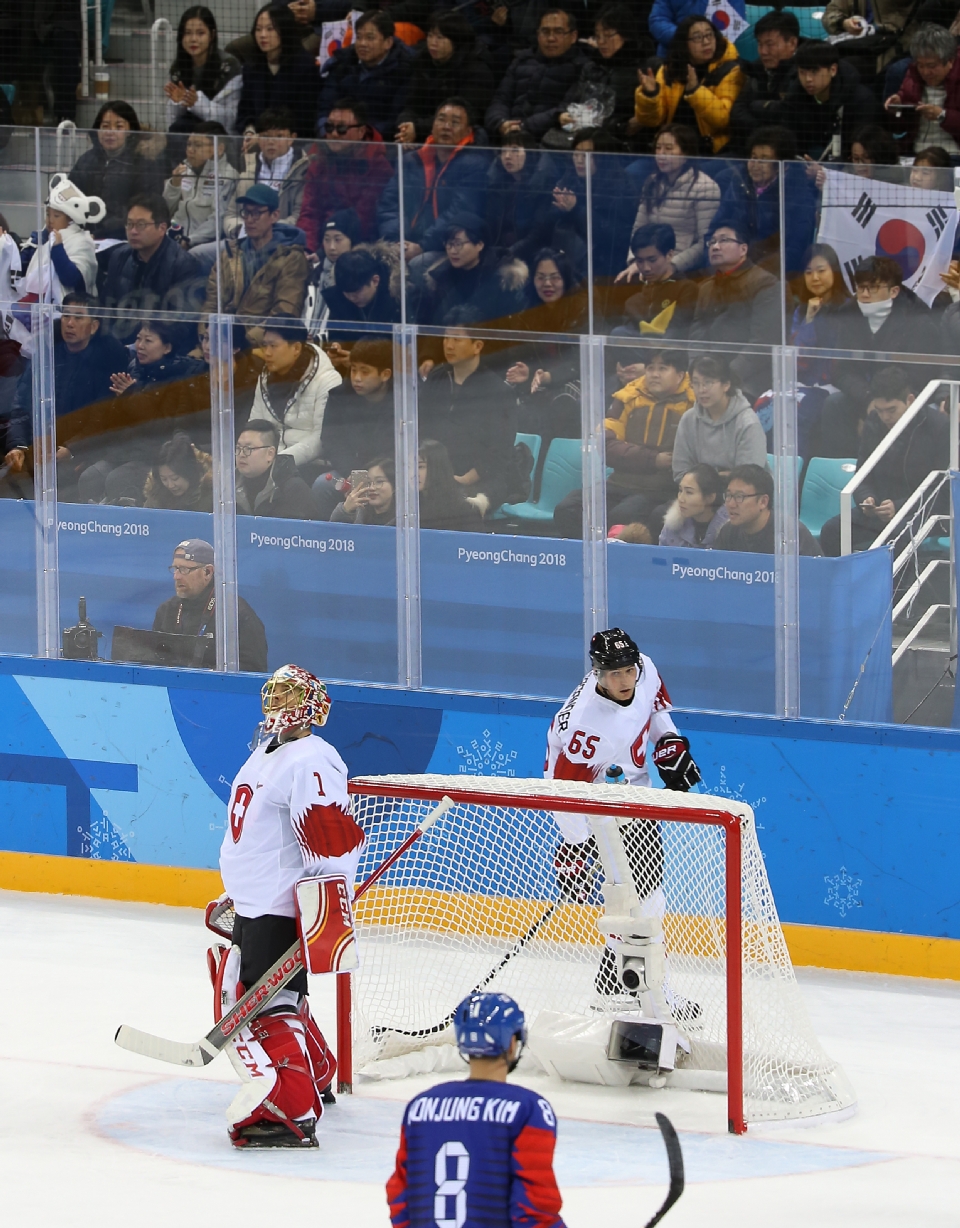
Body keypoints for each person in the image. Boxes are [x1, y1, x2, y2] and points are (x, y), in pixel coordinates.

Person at [217, 663, 363, 1145]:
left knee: (267, 1004)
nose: (278, 705)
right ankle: (317, 1070)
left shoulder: (313, 759)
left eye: (289, 696)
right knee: (276, 995)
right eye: (273, 695)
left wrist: (326, 910)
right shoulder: (269, 750)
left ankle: (294, 1108)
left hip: (282, 903)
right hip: (256, 898)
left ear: (313, 704)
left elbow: (330, 842)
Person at [545, 627, 701, 1008]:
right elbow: (563, 791)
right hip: (598, 806)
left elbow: (658, 713)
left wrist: (670, 744)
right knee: (636, 901)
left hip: (635, 793)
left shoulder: (645, 669)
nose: (624, 679)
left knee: (648, 897)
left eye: (627, 670)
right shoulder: (586, 726)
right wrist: (575, 844)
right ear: (597, 673)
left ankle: (617, 980)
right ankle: (641, 988)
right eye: (614, 673)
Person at [387, 992, 565, 1228]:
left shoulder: (420, 1107)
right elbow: (534, 1210)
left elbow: (400, 1195)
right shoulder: (528, 1110)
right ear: (512, 1043)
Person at [552, 347, 696, 539]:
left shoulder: (693, 403)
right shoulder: (627, 396)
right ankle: (587, 560)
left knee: (623, 515)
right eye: (650, 368)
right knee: (567, 508)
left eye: (662, 369)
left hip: (660, 490)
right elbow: (606, 444)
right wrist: (653, 459)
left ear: (680, 375)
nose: (654, 374)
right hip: (618, 483)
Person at [3, 292, 129, 502]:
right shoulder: (47, 351)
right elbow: (21, 405)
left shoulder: (107, 361)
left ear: (94, 326)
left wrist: (72, 449)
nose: (69, 324)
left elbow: (102, 418)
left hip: (78, 454)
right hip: (37, 448)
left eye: (78, 318)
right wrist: (19, 446)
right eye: (66, 316)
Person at [819, 366, 949, 555]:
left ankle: (889, 585)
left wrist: (899, 506)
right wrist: (867, 499)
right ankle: (841, 583)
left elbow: (940, 491)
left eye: (891, 410)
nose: (885, 417)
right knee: (832, 530)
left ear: (910, 400)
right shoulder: (874, 422)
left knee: (894, 536)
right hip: (881, 511)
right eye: (880, 410)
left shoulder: (938, 427)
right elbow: (863, 473)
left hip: (922, 512)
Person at [419, 314, 520, 516]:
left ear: (477, 346)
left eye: (457, 339)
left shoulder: (498, 391)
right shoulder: (437, 378)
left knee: (461, 508)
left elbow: (499, 452)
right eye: (446, 338)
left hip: (480, 477)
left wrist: (464, 479)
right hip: (433, 472)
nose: (449, 345)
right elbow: (421, 427)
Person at [378, 98, 488, 264]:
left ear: (468, 132)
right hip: (402, 244)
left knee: (418, 266)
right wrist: (396, 241)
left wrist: (423, 246)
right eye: (441, 120)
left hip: (445, 247)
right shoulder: (411, 160)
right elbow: (389, 204)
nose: (446, 126)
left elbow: (459, 213)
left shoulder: (475, 165)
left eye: (455, 122)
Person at [201, 183, 310, 347]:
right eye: (246, 212)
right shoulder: (229, 254)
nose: (249, 220)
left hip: (259, 348)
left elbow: (284, 313)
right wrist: (206, 338)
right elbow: (210, 305)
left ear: (274, 215)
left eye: (257, 213)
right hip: (219, 344)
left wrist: (240, 343)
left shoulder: (291, 258)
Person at [689, 220, 780, 400]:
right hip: (708, 375)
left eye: (723, 240)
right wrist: (696, 370)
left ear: (743, 249)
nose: (715, 246)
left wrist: (727, 377)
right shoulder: (706, 287)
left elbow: (762, 342)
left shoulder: (765, 283)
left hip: (748, 377)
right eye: (712, 242)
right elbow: (697, 334)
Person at [632, 16, 744, 154]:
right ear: (684, 43)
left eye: (709, 35)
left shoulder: (730, 70)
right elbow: (651, 120)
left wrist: (695, 91)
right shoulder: (670, 70)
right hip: (669, 150)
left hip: (710, 151)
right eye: (697, 37)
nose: (706, 42)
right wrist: (650, 94)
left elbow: (722, 120)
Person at [153, 538, 268, 671]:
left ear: (208, 572)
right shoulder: (167, 610)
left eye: (184, 569)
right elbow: (154, 660)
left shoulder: (235, 613)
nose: (176, 576)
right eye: (175, 569)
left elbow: (254, 670)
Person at [622, 125, 721, 278]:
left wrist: (671, 265)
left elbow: (706, 242)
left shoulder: (706, 187)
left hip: (683, 269)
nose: (661, 155)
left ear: (686, 153)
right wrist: (637, 262)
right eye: (658, 148)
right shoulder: (652, 182)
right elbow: (638, 229)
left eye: (669, 149)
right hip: (648, 264)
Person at [540, 129, 639, 281]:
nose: (579, 160)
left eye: (588, 155)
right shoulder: (569, 180)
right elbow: (545, 225)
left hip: (606, 265)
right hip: (567, 259)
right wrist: (559, 209)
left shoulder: (621, 186)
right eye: (576, 153)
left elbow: (617, 236)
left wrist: (576, 210)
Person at [297, 99, 394, 250]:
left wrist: (330, 247)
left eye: (342, 128)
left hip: (360, 245)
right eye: (329, 127)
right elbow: (310, 212)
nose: (334, 134)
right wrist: (306, 249)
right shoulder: (318, 159)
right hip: (323, 243)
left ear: (361, 132)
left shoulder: (377, 165)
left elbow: (365, 218)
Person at [246, 319, 341, 474]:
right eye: (264, 345)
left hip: (311, 466)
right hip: (269, 464)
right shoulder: (264, 377)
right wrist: (247, 454)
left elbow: (320, 440)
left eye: (273, 346)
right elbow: (255, 424)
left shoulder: (328, 380)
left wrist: (279, 462)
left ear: (296, 348)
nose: (267, 352)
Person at [100, 195, 203, 336]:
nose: (133, 231)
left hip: (160, 345)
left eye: (141, 225)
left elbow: (182, 324)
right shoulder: (119, 256)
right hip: (121, 341)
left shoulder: (183, 265)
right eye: (129, 224)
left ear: (162, 228)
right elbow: (107, 307)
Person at [485, 7, 590, 142]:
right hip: (509, 139)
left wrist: (522, 128)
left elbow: (565, 111)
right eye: (545, 32)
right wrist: (501, 123)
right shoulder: (521, 60)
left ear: (573, 36)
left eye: (558, 32)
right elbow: (500, 100)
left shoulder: (583, 68)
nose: (551, 38)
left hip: (550, 143)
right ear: (537, 34)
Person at [396, 10, 495, 144]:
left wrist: (418, 128)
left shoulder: (476, 69)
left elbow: (467, 116)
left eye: (440, 38)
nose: (432, 42)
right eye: (430, 36)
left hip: (459, 138)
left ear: (456, 41)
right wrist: (406, 125)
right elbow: (411, 104)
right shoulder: (422, 61)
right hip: (422, 134)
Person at [558, 4, 655, 143]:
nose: (601, 42)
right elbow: (573, 97)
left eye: (608, 35)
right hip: (586, 137)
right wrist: (561, 114)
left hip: (625, 141)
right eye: (597, 36)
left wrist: (620, 126)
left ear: (626, 35)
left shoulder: (644, 68)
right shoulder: (591, 66)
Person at [69, 101, 164, 240]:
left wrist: (102, 234)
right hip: (83, 236)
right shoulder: (86, 160)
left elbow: (144, 210)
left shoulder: (144, 164)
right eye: (105, 126)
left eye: (118, 127)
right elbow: (69, 197)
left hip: (125, 239)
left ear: (130, 132)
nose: (110, 132)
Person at [771, 42, 879, 160]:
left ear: (833, 70)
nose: (808, 79)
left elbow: (860, 150)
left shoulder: (861, 100)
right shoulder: (794, 97)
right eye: (802, 72)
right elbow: (788, 139)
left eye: (814, 72)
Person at [418, 215, 528, 329]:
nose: (452, 251)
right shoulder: (439, 278)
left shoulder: (504, 280)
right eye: (449, 244)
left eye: (458, 244)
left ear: (479, 244)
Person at [672, 354, 767, 482]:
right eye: (696, 383)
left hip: (738, 499)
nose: (701, 390)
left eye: (708, 383)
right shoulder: (688, 419)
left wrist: (701, 479)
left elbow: (748, 480)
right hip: (697, 496)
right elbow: (680, 473)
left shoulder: (747, 423)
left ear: (726, 385)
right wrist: (721, 476)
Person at [318, 10, 413, 138]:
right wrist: (326, 132)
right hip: (335, 137)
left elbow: (394, 120)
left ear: (388, 42)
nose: (362, 44)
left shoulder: (404, 70)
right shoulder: (342, 63)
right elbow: (325, 106)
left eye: (370, 38)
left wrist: (362, 137)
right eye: (359, 37)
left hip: (377, 145)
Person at [236, 5, 320, 144]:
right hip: (257, 145)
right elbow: (245, 110)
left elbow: (306, 119)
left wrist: (266, 137)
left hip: (294, 145)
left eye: (270, 29)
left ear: (285, 30)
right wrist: (249, 131)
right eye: (258, 29)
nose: (263, 35)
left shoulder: (304, 67)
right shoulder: (251, 67)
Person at [18, 174, 103, 302]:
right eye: (48, 214)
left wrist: (58, 249)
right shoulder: (43, 238)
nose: (50, 220)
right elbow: (22, 268)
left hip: (70, 310)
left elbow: (71, 279)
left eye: (56, 216)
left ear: (71, 218)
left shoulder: (82, 242)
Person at [229, 108, 311, 238]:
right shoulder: (246, 165)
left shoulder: (304, 170)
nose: (271, 142)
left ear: (292, 138)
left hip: (284, 241)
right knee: (198, 253)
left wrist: (265, 230)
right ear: (258, 138)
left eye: (279, 136)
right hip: (244, 238)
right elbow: (231, 214)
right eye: (266, 136)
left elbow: (298, 217)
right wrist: (241, 229)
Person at [729, 10, 800, 154]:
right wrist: (763, 131)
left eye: (770, 44)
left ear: (792, 43)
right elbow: (737, 112)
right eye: (760, 44)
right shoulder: (756, 69)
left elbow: (788, 115)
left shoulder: (805, 71)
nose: (763, 51)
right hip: (748, 149)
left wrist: (754, 107)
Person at [164, 5, 242, 135]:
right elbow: (171, 121)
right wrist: (177, 103)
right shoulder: (177, 69)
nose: (193, 39)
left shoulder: (229, 66)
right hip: (188, 134)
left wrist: (197, 103)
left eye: (200, 33)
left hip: (220, 137)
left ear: (212, 35)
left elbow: (231, 119)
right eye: (187, 33)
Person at [612, 223, 699, 337]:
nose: (646, 268)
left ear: (669, 255)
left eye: (652, 260)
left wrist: (658, 354)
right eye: (640, 261)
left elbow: (678, 333)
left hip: (667, 351)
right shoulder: (633, 288)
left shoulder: (685, 288)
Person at [885, 24, 960, 156]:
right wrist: (897, 109)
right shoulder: (912, 75)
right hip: (916, 154)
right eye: (921, 65)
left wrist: (943, 116)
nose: (925, 72)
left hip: (953, 156)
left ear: (950, 61)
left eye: (931, 66)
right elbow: (899, 128)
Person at [714, 463, 821, 555]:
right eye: (728, 496)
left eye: (739, 497)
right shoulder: (728, 532)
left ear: (763, 502)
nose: (731, 504)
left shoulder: (791, 535)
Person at [163, 124, 238, 249]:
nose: (190, 150)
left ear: (218, 149)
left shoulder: (227, 176)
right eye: (189, 144)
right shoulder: (183, 170)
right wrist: (174, 185)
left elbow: (218, 221)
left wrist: (189, 241)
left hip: (201, 244)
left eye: (198, 145)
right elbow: (166, 211)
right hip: (173, 237)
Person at [235, 418, 320, 519]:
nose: (241, 455)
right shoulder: (226, 486)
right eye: (238, 448)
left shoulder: (294, 490)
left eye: (248, 449)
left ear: (270, 454)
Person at [321, 245, 403, 343]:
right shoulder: (337, 298)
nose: (351, 297)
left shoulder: (397, 300)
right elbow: (335, 336)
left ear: (375, 281)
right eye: (346, 293)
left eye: (357, 292)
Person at [418, 438, 486, 531]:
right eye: (409, 466)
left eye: (420, 467)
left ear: (437, 467)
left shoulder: (464, 511)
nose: (413, 473)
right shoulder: (402, 508)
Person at [659, 462, 729, 546]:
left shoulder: (729, 529)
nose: (681, 499)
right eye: (680, 490)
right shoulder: (673, 524)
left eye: (689, 492)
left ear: (710, 498)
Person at [143, 431, 214, 511]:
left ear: (190, 472)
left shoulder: (212, 496)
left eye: (175, 478)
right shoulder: (156, 495)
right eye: (164, 479)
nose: (170, 485)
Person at [330, 455, 397, 524]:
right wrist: (345, 510)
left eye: (379, 482)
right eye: (368, 482)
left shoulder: (405, 519)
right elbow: (333, 532)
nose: (371, 488)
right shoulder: (358, 512)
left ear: (394, 485)